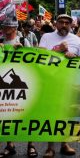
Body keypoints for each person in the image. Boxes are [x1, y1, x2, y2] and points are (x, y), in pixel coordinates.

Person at [39, 14, 80, 157]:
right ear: (55, 24)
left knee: (66, 114)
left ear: (71, 25)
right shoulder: (46, 37)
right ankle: (50, 147)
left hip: (69, 82)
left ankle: (64, 144)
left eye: (67, 23)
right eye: (61, 22)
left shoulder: (76, 40)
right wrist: (57, 50)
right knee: (51, 115)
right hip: (51, 81)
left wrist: (74, 57)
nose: (64, 25)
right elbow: (39, 58)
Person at [0, 17, 37, 158]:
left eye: (7, 27)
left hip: (23, 82)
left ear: (14, 28)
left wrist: (22, 52)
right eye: (3, 26)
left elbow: (34, 60)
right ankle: (10, 145)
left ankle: (31, 145)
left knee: (28, 114)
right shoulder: (1, 43)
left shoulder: (23, 42)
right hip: (5, 85)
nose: (4, 29)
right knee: (7, 113)